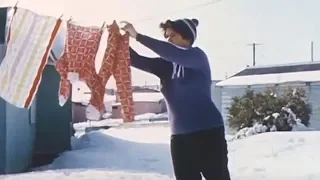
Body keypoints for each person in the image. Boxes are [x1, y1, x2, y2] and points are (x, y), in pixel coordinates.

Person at [121, 18, 231, 180]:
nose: (168, 39)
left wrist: (138, 36)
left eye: (173, 35)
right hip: (180, 138)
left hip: (208, 133)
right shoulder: (166, 66)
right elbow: (135, 60)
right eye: (167, 36)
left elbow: (169, 51)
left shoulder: (197, 57)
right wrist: (116, 40)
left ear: (187, 37)